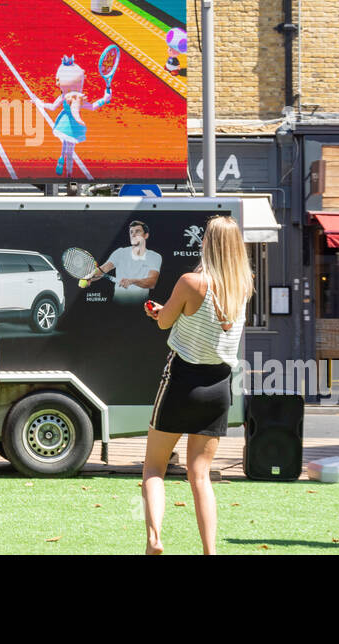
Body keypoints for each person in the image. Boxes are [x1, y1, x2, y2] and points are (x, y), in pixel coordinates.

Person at [141, 215, 252, 554]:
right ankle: (210, 551)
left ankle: (155, 539)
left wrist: (159, 312)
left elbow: (164, 323)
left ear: (209, 244)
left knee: (154, 467)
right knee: (200, 475)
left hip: (181, 380)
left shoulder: (191, 282)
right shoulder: (244, 286)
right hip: (219, 386)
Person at [96, 220, 161, 304]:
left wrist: (132, 281)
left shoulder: (154, 256)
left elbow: (151, 282)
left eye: (137, 231)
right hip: (117, 305)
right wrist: (90, 277)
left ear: (146, 235)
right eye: (131, 232)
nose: (133, 234)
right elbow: (103, 269)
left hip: (142, 307)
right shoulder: (120, 252)